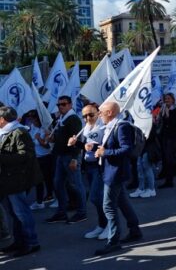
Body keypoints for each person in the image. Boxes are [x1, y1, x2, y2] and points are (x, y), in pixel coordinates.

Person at [94, 101, 143, 256]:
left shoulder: (121, 126)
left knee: (108, 206)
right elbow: (108, 145)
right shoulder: (110, 126)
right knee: (122, 202)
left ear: (110, 112)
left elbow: (126, 149)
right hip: (111, 171)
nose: (99, 115)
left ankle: (113, 241)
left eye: (101, 112)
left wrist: (105, 153)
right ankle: (134, 230)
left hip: (116, 172)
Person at [0, 106, 42, 257]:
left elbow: (26, 156)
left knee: (21, 212)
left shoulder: (19, 132)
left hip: (17, 180)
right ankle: (19, 241)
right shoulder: (5, 132)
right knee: (13, 213)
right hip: (7, 180)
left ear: (2, 119)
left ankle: (31, 242)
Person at [68, 104, 109, 239]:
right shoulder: (86, 127)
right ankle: (102, 225)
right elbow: (86, 147)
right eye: (84, 116)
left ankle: (109, 225)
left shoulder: (103, 125)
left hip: (100, 165)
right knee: (98, 198)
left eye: (91, 115)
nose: (87, 118)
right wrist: (76, 143)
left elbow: (108, 144)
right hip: (89, 165)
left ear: (98, 113)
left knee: (96, 197)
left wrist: (95, 146)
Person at [46, 95, 86, 224]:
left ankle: (82, 212)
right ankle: (61, 212)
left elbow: (76, 140)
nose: (60, 107)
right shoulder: (61, 119)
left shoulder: (73, 119)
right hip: (61, 156)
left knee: (76, 184)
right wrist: (52, 139)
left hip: (70, 156)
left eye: (63, 104)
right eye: (59, 105)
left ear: (70, 105)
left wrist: (75, 158)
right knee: (58, 184)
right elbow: (61, 138)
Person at [23, 111, 53, 210]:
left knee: (41, 180)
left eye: (33, 119)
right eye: (30, 119)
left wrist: (39, 138)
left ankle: (41, 201)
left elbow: (48, 145)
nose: (31, 120)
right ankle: (40, 199)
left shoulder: (45, 129)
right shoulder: (32, 127)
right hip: (34, 158)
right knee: (33, 179)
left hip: (45, 158)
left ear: (38, 119)